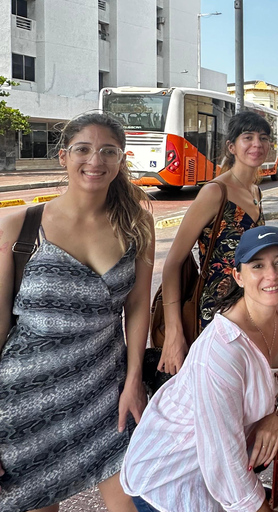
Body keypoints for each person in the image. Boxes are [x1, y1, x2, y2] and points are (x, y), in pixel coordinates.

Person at [0, 112, 155, 511]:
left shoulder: (137, 225)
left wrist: (134, 379)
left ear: (122, 160)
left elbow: (138, 306)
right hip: (25, 401)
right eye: (83, 149)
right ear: (63, 156)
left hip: (106, 390)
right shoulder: (19, 227)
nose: (95, 161)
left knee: (130, 501)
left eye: (109, 151)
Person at [121, 226, 278, 512]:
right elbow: (225, 461)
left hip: (214, 478)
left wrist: (276, 415)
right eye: (257, 266)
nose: (272, 275)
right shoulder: (223, 350)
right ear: (238, 276)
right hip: (171, 479)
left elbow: (277, 377)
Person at [159, 111, 269, 375]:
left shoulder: (256, 192)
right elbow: (173, 263)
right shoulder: (214, 192)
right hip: (214, 315)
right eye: (248, 137)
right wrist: (174, 332)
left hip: (249, 311)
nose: (257, 144)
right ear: (232, 147)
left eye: (263, 138)